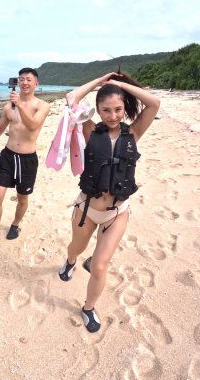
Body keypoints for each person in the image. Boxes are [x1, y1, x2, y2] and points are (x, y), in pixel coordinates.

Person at [57, 71, 160, 333]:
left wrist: (120, 84)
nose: (112, 116)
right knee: (76, 248)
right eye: (106, 110)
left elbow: (154, 104)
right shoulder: (90, 129)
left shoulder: (133, 133)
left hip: (117, 213)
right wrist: (102, 80)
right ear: (98, 110)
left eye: (117, 110)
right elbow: (71, 98)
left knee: (100, 265)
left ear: (124, 108)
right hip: (88, 209)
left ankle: (88, 307)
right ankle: (70, 261)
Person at [0, 68, 50, 248]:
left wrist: (20, 105)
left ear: (36, 84)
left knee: (22, 198)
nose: (24, 82)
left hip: (28, 160)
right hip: (8, 157)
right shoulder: (8, 107)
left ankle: (15, 225)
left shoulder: (42, 106)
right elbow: (0, 128)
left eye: (28, 79)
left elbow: (33, 126)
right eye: (21, 79)